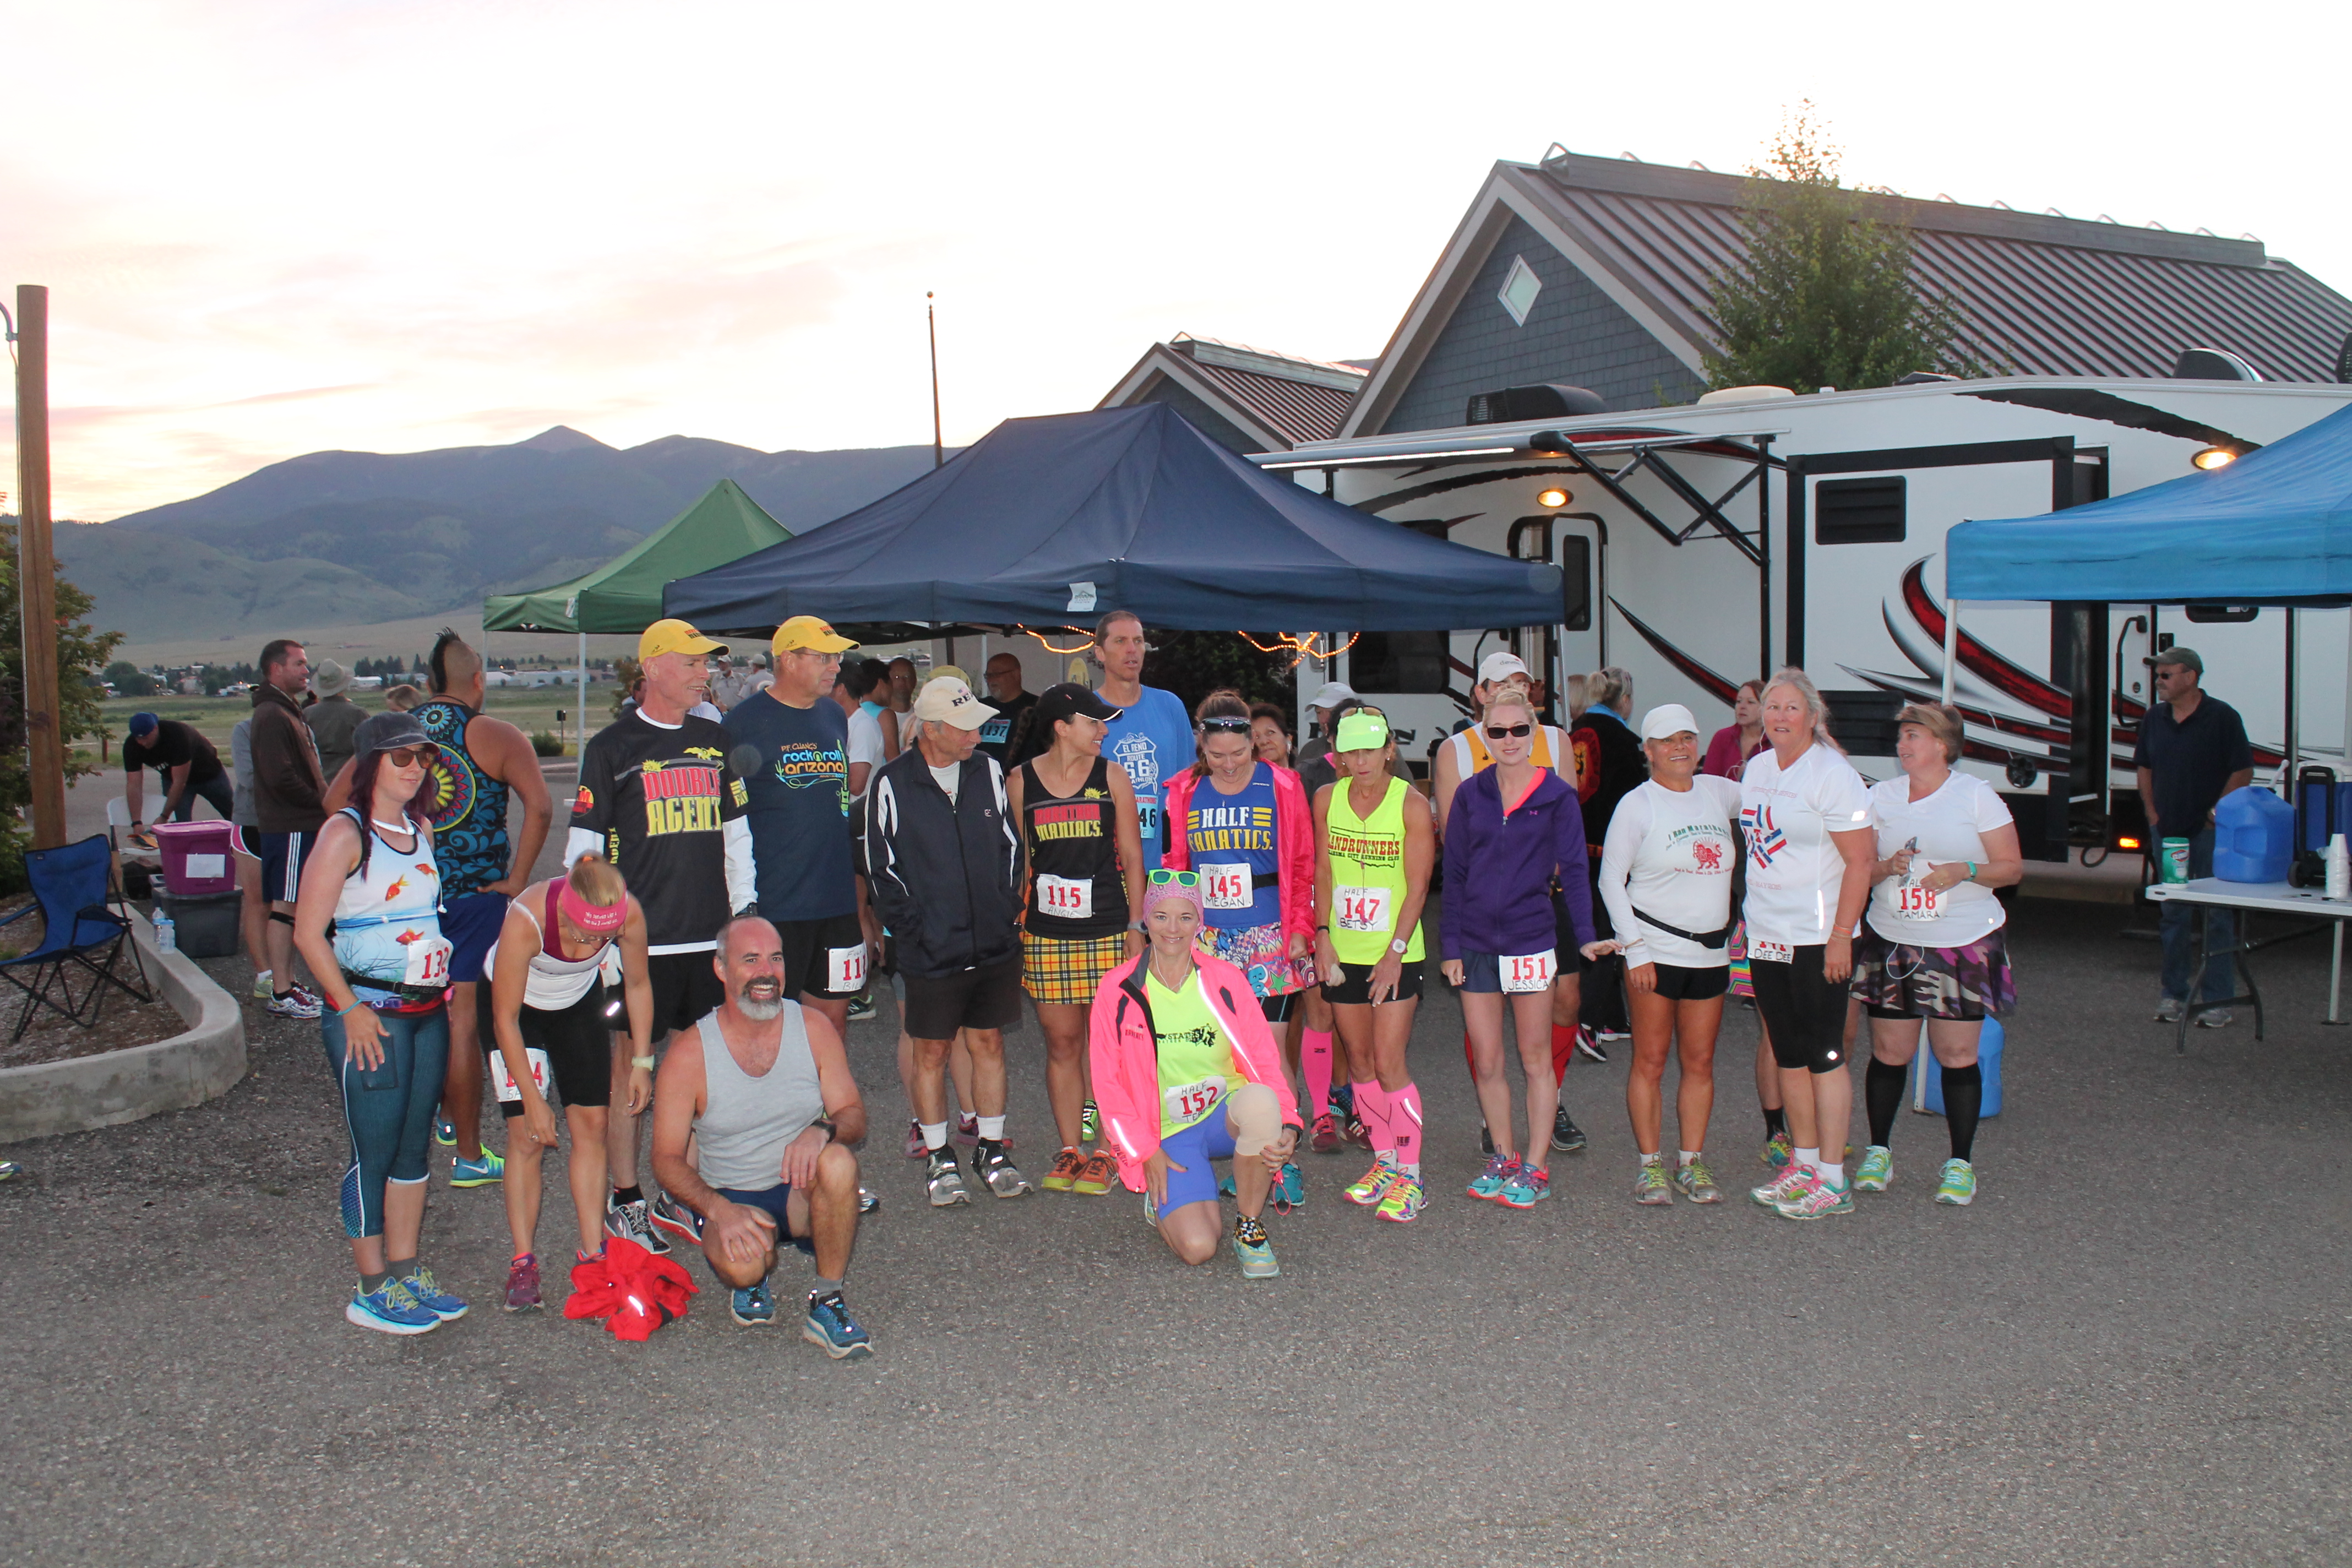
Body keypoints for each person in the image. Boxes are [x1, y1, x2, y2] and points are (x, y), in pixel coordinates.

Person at [567, 618, 756, 1255]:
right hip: (638, 947)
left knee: (694, 1073)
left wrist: (744, 914)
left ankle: (684, 1188)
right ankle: (626, 1198)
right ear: (653, 668)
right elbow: (585, 852)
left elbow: (737, 836)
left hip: (708, 939)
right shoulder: (612, 747)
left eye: (708, 662)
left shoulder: (716, 738)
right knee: (631, 1073)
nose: (706, 671)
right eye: (693, 661)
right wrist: (595, 940)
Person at [291, 711, 466, 1335]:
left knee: (414, 1147)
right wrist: (349, 1008)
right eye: (401, 757)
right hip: (371, 1017)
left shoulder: (420, 828)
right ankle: (370, 1285)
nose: (416, 766)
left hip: (425, 1012)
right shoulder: (345, 833)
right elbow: (309, 934)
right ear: (368, 765)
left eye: (421, 755)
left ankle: (405, 1268)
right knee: (374, 1149)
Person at [650, 915, 873, 1358]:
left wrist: (821, 1129)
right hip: (734, 1196)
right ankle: (755, 1277)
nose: (766, 972)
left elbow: (854, 1115)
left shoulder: (813, 1028)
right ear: (721, 969)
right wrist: (720, 1210)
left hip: (800, 1189)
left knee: (840, 1162)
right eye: (750, 960)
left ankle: (827, 1301)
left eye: (775, 958)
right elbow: (665, 1159)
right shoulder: (690, 1052)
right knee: (746, 1270)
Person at [386, 629, 554, 1190]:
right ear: (478, 681)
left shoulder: (398, 735)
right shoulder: (496, 734)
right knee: (463, 1023)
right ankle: (467, 1153)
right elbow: (541, 806)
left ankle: (434, 1118)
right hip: (477, 898)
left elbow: (337, 802)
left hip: (412, 900)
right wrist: (516, 881)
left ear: (431, 683)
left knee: (419, 1014)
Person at [864, 674, 1031, 1205]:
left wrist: (1006, 911)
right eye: (964, 728)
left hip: (992, 942)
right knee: (931, 1050)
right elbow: (880, 870)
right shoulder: (891, 783)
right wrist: (918, 931)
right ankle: (939, 1156)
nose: (976, 736)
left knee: (989, 1043)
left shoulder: (988, 770)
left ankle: (991, 1149)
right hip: (930, 948)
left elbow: (1012, 847)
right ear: (931, 730)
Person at [1090, 870, 1304, 1276]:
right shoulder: (1116, 989)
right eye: (1161, 916)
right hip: (1167, 1132)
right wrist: (1144, 1152)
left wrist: (1289, 1122)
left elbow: (1264, 1060)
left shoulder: (1226, 980)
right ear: (1146, 920)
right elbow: (1107, 1084)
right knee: (1199, 1247)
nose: (1173, 929)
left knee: (1262, 1103)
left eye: (1185, 917)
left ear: (1199, 923)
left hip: (1225, 1114)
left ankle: (1250, 1225)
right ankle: (1164, 1204)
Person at [1852, 703, 2023, 1207]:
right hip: (1894, 937)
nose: (1904, 746)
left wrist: (1964, 869)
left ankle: (1960, 1164)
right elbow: (1859, 867)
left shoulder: (1975, 795)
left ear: (1943, 745)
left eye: (1914, 736)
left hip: (1962, 940)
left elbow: (2010, 869)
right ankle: (1879, 1151)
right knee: (1889, 1053)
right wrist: (1887, 866)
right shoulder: (1879, 797)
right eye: (1901, 736)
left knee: (1957, 1055)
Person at [1430, 652, 1595, 1141]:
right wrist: (1451, 945)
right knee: (1488, 1056)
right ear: (1482, 716)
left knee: (1540, 1045)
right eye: (1498, 731)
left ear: (1532, 726)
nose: (1509, 739)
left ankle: (1537, 1157)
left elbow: (1576, 865)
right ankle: (1499, 1144)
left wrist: (1586, 935)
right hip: (1478, 933)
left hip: (1534, 926)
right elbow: (1453, 872)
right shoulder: (1464, 779)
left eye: (1519, 730)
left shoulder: (1556, 776)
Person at [1161, 690, 1316, 1207]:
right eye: (1217, 755)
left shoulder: (1284, 786)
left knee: (1268, 1053)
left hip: (1267, 934)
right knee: (1218, 1051)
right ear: (1201, 747)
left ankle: (1282, 1160)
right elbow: (1176, 866)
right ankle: (1240, 1151)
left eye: (1239, 753)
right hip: (1208, 939)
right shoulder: (1182, 791)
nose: (1228, 765)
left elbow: (1302, 864)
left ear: (1256, 742)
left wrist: (1301, 928)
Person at [482, 857, 652, 1310]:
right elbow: (505, 1020)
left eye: (605, 937)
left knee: (592, 1128)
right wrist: (535, 1100)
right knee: (527, 1134)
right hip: (519, 1014)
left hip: (576, 1003)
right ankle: (523, 1262)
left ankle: (594, 1255)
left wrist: (641, 1060)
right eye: (587, 934)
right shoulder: (528, 919)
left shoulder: (627, 911)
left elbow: (637, 984)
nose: (597, 943)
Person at [1593, 704, 1743, 1205]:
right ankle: (1651, 1165)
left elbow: (1778, 800)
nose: (1680, 748)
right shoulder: (1638, 804)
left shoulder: (1720, 793)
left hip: (1711, 955)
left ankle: (1692, 1164)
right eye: (1668, 740)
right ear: (1649, 751)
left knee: (1700, 1061)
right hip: (1655, 953)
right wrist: (1634, 951)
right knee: (1651, 1061)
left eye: (1688, 737)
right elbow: (1611, 879)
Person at [1740, 668, 1875, 1221]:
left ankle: (1834, 1180)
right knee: (1788, 1053)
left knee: (1824, 1055)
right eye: (1773, 707)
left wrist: (1843, 935)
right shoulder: (1756, 768)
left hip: (1819, 938)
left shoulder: (1833, 775)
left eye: (1792, 708)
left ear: (1814, 718)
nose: (1779, 717)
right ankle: (1803, 1163)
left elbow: (1861, 861)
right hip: (1768, 935)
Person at [1006, 683, 1143, 1196]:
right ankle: (1070, 1148)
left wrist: (1135, 926)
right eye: (1095, 723)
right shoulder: (1020, 781)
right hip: (1047, 932)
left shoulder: (1111, 776)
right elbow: (1020, 861)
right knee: (1062, 1043)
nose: (1104, 731)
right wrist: (1014, 925)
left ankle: (1108, 1149)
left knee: (1109, 1046)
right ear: (1062, 727)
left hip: (1107, 926)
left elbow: (1132, 856)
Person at [1313, 709, 1436, 1223]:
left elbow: (1419, 885)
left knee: (1389, 1063)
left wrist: (1395, 952)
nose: (1359, 761)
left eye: (1369, 750)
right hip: (1344, 951)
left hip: (1395, 953)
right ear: (1338, 755)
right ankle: (1384, 1161)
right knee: (1359, 1064)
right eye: (1350, 752)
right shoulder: (1326, 798)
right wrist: (1322, 936)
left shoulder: (1411, 805)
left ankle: (1411, 1174)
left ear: (1389, 750)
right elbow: (1322, 869)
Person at [723, 616, 868, 1043]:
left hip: (836, 898)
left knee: (830, 1024)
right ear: (787, 659)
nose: (836, 667)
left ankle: (822, 1108)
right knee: (768, 1025)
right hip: (777, 902)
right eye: (823, 657)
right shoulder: (742, 724)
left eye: (837, 656)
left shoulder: (832, 714)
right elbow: (730, 821)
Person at [2134, 646, 2253, 1026]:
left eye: (2166, 675)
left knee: (2217, 915)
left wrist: (2217, 812)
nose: (2159, 682)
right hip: (2170, 836)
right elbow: (2144, 767)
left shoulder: (2222, 718)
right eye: (2158, 676)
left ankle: (2218, 1000)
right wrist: (2153, 814)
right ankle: (2174, 995)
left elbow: (2243, 771)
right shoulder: (2154, 718)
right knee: (2174, 914)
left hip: (2208, 834)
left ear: (2191, 677)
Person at [250, 640, 329, 1021]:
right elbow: (279, 777)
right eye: (298, 664)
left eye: (306, 664)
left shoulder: (287, 711)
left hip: (299, 825)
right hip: (290, 827)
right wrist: (322, 803)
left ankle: (289, 982)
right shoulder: (271, 715)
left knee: (292, 908)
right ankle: (281, 991)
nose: (305, 670)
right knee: (284, 908)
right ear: (275, 669)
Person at [1570, 666, 1647, 1050]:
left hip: (1575, 848)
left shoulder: (1574, 734)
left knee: (1591, 925)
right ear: (1626, 702)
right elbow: (1634, 803)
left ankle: (1614, 1019)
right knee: (1610, 934)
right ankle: (1586, 1020)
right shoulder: (1623, 742)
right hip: (1610, 850)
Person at [1091, 611, 1194, 870]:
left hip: (1166, 865)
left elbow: (1191, 783)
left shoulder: (1170, 706)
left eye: (1138, 641)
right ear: (1100, 653)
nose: (1132, 650)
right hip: (1105, 865)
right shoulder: (1086, 713)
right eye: (1120, 641)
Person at [227, 716, 287, 1005]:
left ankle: (287, 977)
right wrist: (290, 779)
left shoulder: (302, 728)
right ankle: (264, 976)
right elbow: (247, 778)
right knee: (257, 902)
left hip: (289, 825)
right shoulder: (245, 730)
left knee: (286, 904)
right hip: (252, 823)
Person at [121, 712, 234, 841]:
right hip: (172, 778)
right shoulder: (132, 746)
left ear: (155, 728)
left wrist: (164, 816)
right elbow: (134, 785)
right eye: (138, 739)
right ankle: (185, 857)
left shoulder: (177, 735)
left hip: (209, 774)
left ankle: (250, 847)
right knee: (180, 827)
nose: (142, 743)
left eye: (146, 737)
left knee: (235, 814)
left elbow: (180, 782)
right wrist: (137, 822)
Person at [304, 660, 366, 789]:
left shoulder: (307, 714)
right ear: (344, 684)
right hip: (349, 779)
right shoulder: (357, 713)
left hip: (315, 779)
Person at [832, 658, 889, 796]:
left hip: (858, 813)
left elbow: (856, 786)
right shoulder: (838, 723)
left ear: (840, 690)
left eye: (829, 686)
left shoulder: (864, 726)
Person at [978, 651, 1039, 766]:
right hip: (982, 778)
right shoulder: (978, 707)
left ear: (1016, 674)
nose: (991, 681)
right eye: (988, 676)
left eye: (996, 675)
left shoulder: (1037, 708)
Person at [1703, 679, 1768, 780]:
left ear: (1765, 707)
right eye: (1739, 702)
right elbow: (1709, 780)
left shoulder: (1775, 741)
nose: (1742, 707)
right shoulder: (1722, 737)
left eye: (1750, 702)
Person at [1292, 680, 1357, 775]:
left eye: (1331, 712)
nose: (1323, 720)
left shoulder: (1372, 747)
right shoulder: (1310, 751)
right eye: (1319, 713)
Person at [1249, 704, 1293, 770]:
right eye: (1256, 737)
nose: (1264, 742)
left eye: (1270, 733)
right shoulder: (1246, 780)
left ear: (1289, 739)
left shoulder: (1306, 778)